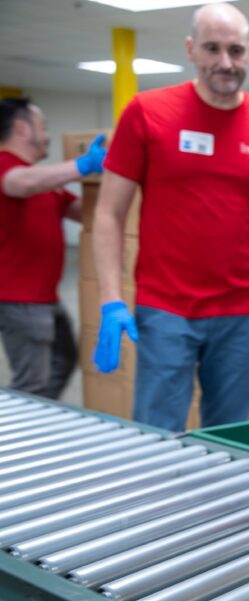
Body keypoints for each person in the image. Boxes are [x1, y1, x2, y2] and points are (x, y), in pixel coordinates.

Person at [91, 2, 249, 431]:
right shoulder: (146, 112)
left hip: (241, 313)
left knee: (229, 438)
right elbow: (108, 214)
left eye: (235, 50)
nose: (225, 62)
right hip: (165, 310)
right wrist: (110, 298)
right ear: (191, 49)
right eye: (212, 49)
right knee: (156, 435)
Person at [0, 98, 106, 398]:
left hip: (45, 297)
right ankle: (21, 436)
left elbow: (84, 211)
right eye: (42, 127)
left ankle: (43, 417)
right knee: (31, 383)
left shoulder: (46, 182)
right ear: (22, 128)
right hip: (19, 300)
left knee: (63, 361)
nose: (46, 135)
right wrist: (83, 165)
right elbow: (20, 184)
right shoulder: (10, 167)